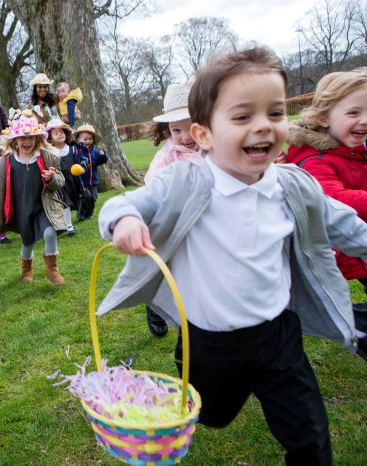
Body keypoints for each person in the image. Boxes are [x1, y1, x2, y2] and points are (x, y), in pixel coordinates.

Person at [97, 47, 367, 465]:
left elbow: (346, 225)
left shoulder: (293, 186)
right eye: (242, 117)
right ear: (203, 135)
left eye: (275, 113)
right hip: (211, 341)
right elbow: (121, 205)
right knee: (214, 413)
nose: (263, 126)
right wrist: (125, 222)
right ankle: (193, 378)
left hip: (278, 335)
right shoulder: (184, 181)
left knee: (309, 433)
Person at [286, 68, 367, 360]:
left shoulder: (355, 148)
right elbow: (331, 198)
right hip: (335, 244)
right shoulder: (314, 159)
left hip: (358, 238)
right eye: (354, 112)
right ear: (324, 119)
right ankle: (355, 324)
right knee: (326, 297)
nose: (364, 120)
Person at [0, 113, 68, 285]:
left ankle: (52, 269)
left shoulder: (47, 158)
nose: (27, 141)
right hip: (20, 210)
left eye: (31, 137)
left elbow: (60, 180)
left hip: (43, 207)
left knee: (50, 232)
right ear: (14, 140)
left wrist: (51, 179)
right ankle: (26, 268)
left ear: (37, 139)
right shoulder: (5, 163)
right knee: (28, 241)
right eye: (23, 138)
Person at [142, 82, 204, 338]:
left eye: (190, 128)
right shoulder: (168, 157)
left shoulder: (214, 150)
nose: (185, 137)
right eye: (176, 130)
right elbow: (151, 189)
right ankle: (155, 305)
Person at [45, 118, 89, 236]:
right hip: (60, 181)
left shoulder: (74, 148)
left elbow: (83, 160)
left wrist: (83, 167)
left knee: (82, 198)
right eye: (56, 133)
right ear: (50, 138)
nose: (60, 134)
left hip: (73, 180)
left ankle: (85, 214)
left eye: (61, 132)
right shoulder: (51, 152)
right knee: (65, 202)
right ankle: (69, 226)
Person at [73, 123, 108, 220]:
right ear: (79, 139)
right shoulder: (77, 152)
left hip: (93, 180)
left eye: (90, 139)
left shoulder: (95, 152)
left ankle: (89, 213)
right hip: (82, 181)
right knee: (85, 197)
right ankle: (81, 213)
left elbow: (102, 161)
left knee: (93, 198)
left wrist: (103, 156)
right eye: (85, 139)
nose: (88, 141)